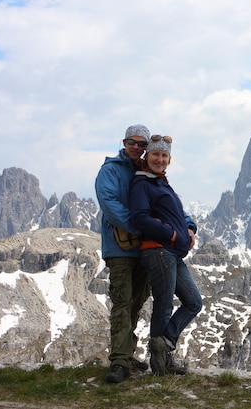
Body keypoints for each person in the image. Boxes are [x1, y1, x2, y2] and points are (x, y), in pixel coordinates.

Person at [129, 134, 202, 376]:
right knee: (163, 305)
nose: (160, 159)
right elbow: (139, 218)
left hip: (171, 252)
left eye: (164, 155)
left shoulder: (160, 182)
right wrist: (171, 234)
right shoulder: (143, 183)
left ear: (169, 159)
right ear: (147, 156)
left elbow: (177, 214)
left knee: (193, 302)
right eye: (155, 154)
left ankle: (165, 343)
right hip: (157, 250)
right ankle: (161, 364)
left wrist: (189, 228)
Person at [94, 124, 152, 383]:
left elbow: (165, 202)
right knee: (122, 302)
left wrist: (188, 225)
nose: (137, 147)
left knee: (137, 301)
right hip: (120, 249)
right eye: (133, 142)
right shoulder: (110, 171)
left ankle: (126, 354)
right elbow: (110, 206)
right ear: (124, 142)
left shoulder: (146, 171)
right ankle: (119, 362)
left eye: (142, 144)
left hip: (143, 249)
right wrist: (142, 226)